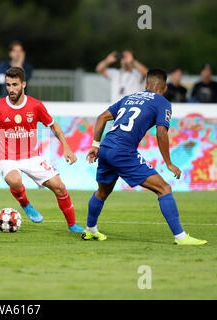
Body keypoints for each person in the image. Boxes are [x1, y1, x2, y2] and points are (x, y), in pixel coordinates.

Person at [83, 69, 207, 245]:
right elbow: (161, 133)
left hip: (106, 148)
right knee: (164, 188)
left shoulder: (129, 98)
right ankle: (180, 237)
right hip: (123, 151)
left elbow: (102, 117)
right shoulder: (162, 102)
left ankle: (90, 230)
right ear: (164, 88)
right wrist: (169, 163)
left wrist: (95, 145)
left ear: (146, 85)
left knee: (102, 192)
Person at [0, 67, 84, 233]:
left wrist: (66, 148)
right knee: (16, 181)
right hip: (6, 157)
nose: (11, 89)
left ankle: (73, 225)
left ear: (24, 84)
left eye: (15, 85)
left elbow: (53, 126)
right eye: (8, 85)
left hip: (32, 157)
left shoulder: (36, 106)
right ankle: (25, 204)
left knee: (59, 187)